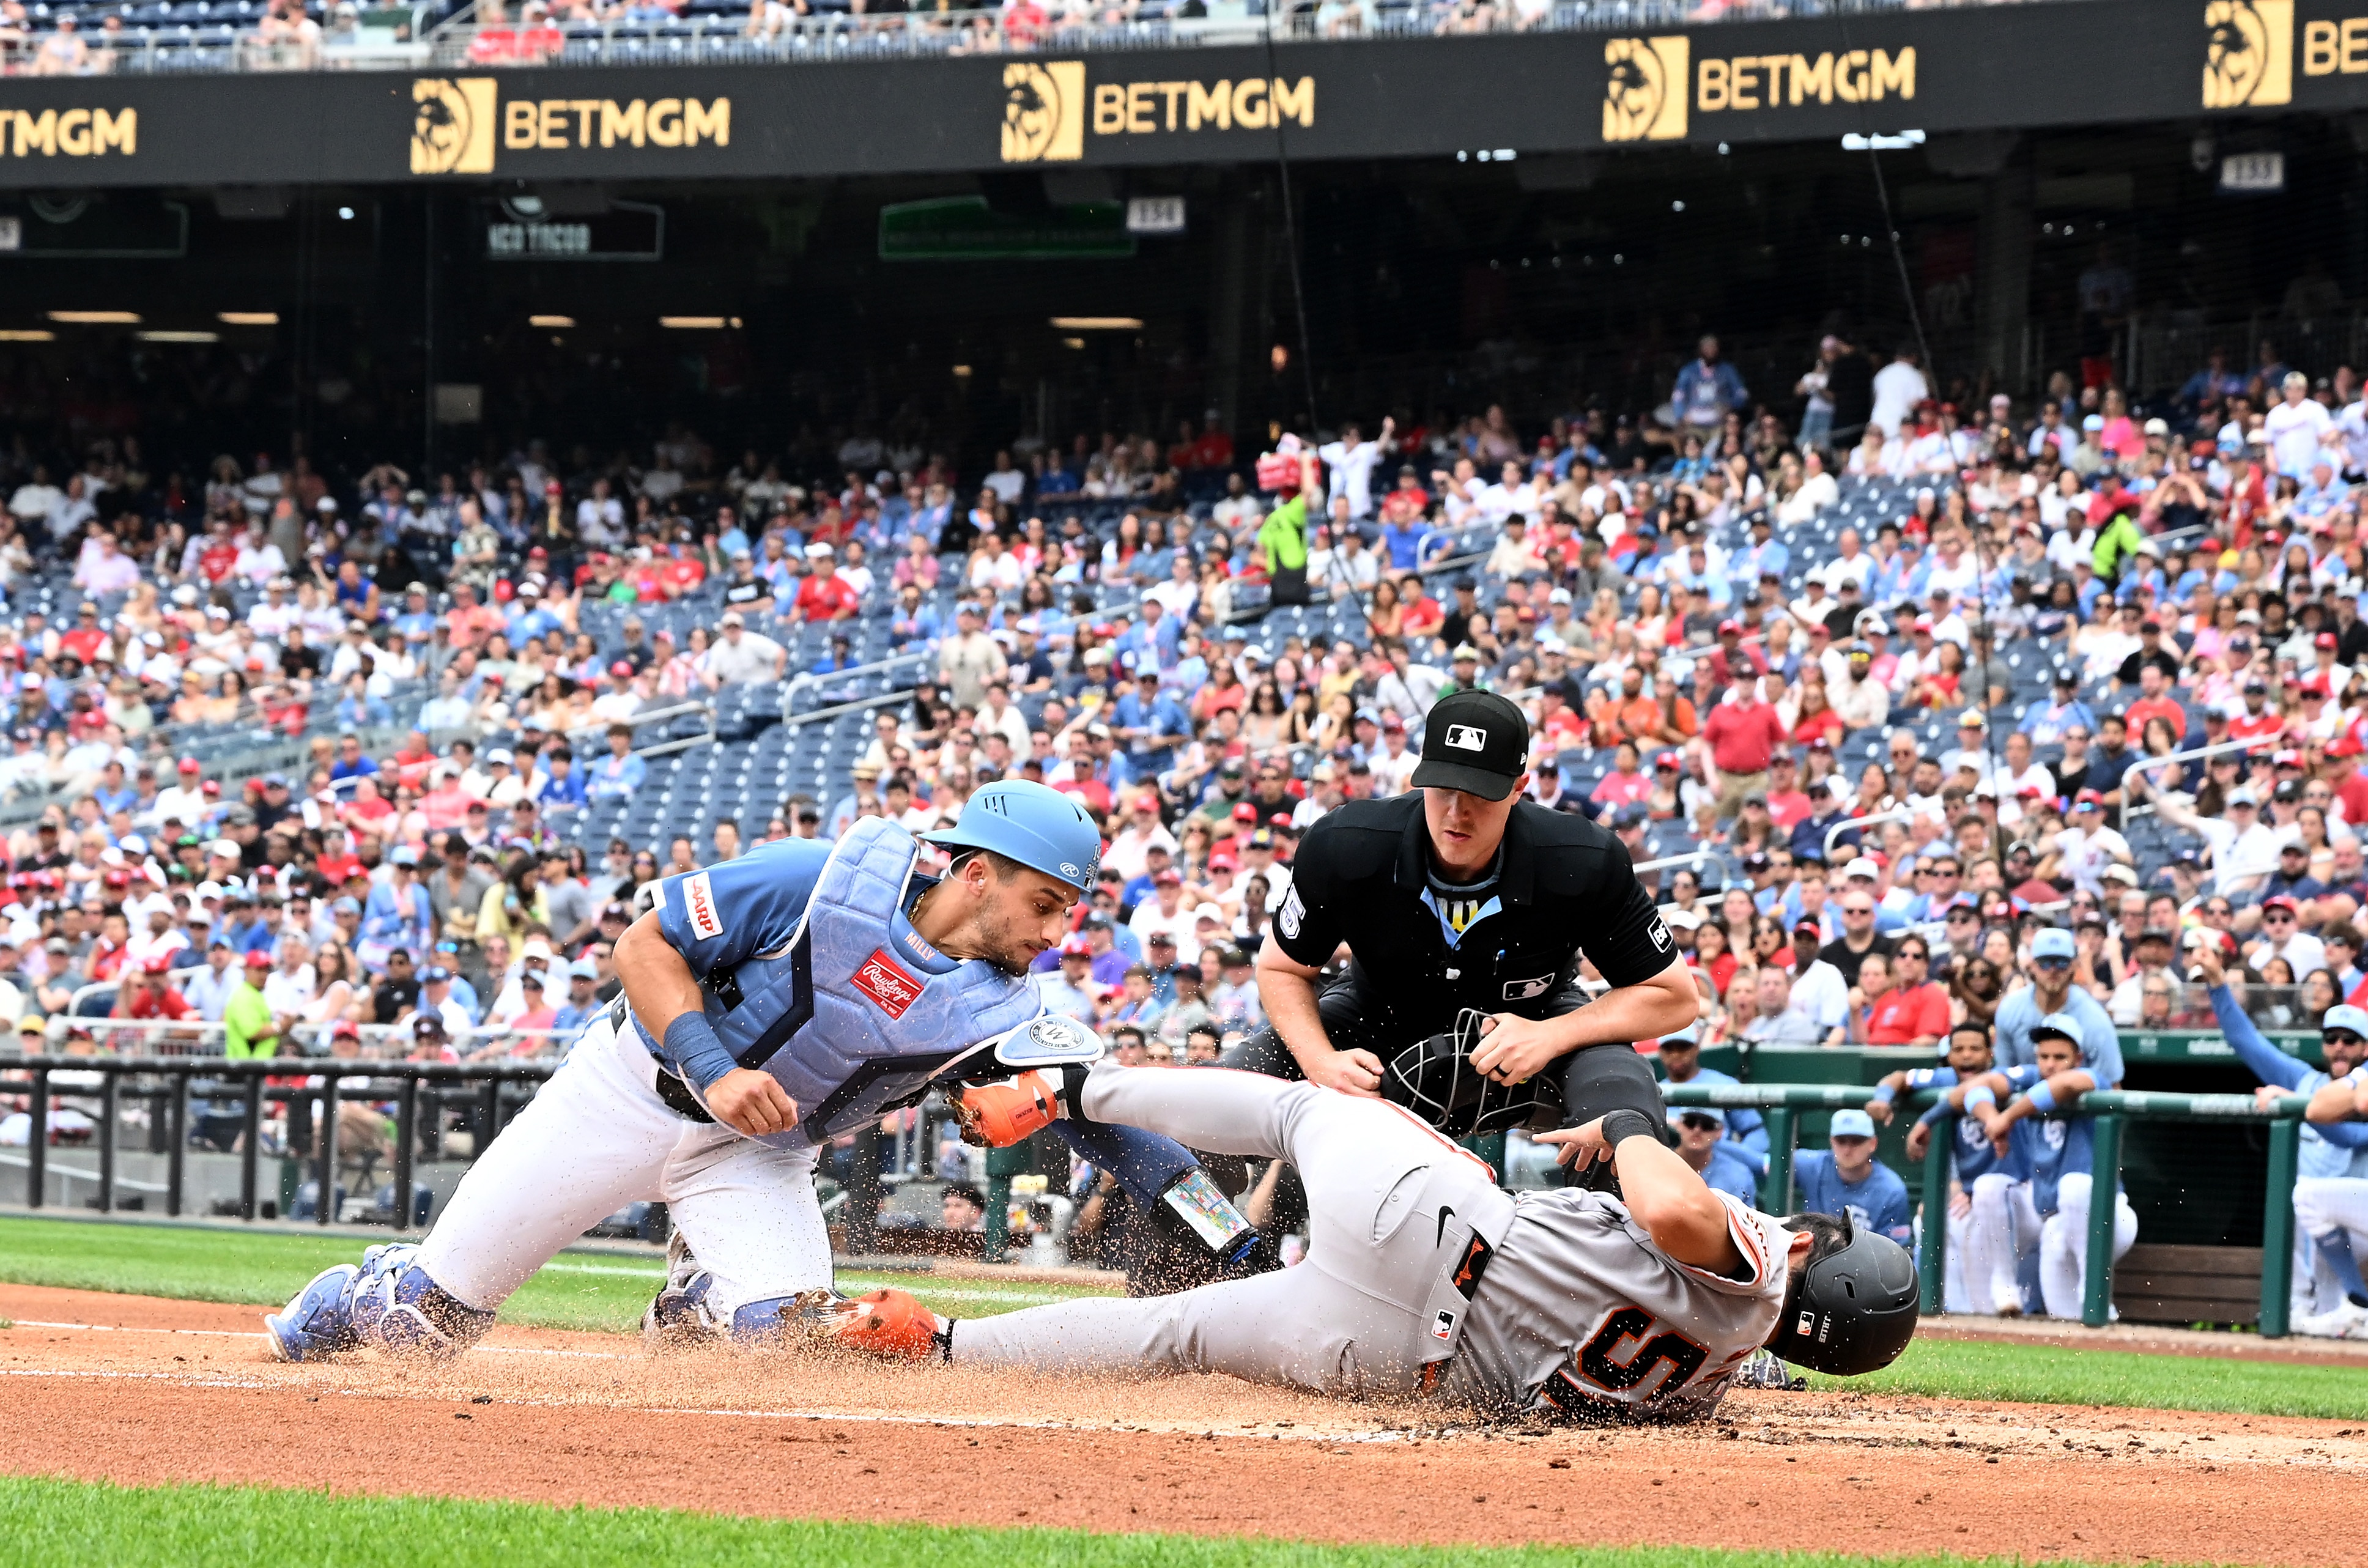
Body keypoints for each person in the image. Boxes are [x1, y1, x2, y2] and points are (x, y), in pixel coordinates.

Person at [262, 782, 1231, 1360]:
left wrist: (1236, 1252)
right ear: (978, 874)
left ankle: (699, 1300)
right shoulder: (823, 875)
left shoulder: (1001, 1009)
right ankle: (365, 1292)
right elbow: (643, 946)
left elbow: (1103, 1123)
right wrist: (715, 1066)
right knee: (424, 1331)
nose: (1059, 933)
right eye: (1048, 903)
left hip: (756, 1155)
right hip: (625, 1093)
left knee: (809, 1341)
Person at [832, 1058, 1917, 1420]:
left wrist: (1630, 1114)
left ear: (1828, 1261)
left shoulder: (1767, 1259)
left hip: (1439, 1234)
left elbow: (1679, 1211)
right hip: (1394, 1359)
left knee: (1300, 1110)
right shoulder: (1709, 1381)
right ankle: (933, 1343)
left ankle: (1063, 1086)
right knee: (1175, 1331)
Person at [1227, 690, 1695, 1151]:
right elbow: (1280, 968)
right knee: (1220, 1093)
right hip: (1374, 1012)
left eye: (1479, 793)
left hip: (1533, 1022)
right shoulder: (1346, 844)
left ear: (1518, 789)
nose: (1457, 812)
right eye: (1444, 788)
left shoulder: (1582, 859)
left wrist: (1552, 1035)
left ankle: (1632, 1223)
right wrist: (1319, 1061)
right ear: (1417, 779)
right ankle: (1231, 1228)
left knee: (1625, 1110)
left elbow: (1675, 998)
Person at [2189, 937, 2368, 1337]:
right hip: (2317, 1233)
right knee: (2321, 1328)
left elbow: (2348, 1136)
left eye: (2350, 1040)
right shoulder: (2307, 1079)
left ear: (2365, 1048)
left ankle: (2356, 1304)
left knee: (2310, 1197)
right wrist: (2217, 984)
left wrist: (2295, 1104)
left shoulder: (2362, 1090)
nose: (2339, 1047)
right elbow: (2246, 1042)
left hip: (2359, 1224)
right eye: (2332, 1038)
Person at [1959, 1015, 2139, 1320]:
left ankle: (2094, 1286)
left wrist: (2009, 1116)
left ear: (2077, 1058)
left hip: (2108, 1216)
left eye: (2060, 1057)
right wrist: (1993, 1119)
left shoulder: (2094, 1078)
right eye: (2044, 1057)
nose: (2051, 1064)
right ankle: (2005, 1286)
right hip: (2053, 1220)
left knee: (2075, 1185)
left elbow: (2067, 1084)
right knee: (2065, 1321)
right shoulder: (2031, 1078)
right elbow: (1977, 1088)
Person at [1789, 1109, 1912, 1248]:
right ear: (1832, 1141)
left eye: (1856, 1141)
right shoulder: (1812, 1165)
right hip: (1811, 1258)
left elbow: (1893, 1253)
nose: (1847, 1149)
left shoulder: (1892, 1190)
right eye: (1841, 1141)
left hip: (1863, 1266)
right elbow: (1765, 1162)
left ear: (1873, 1143)